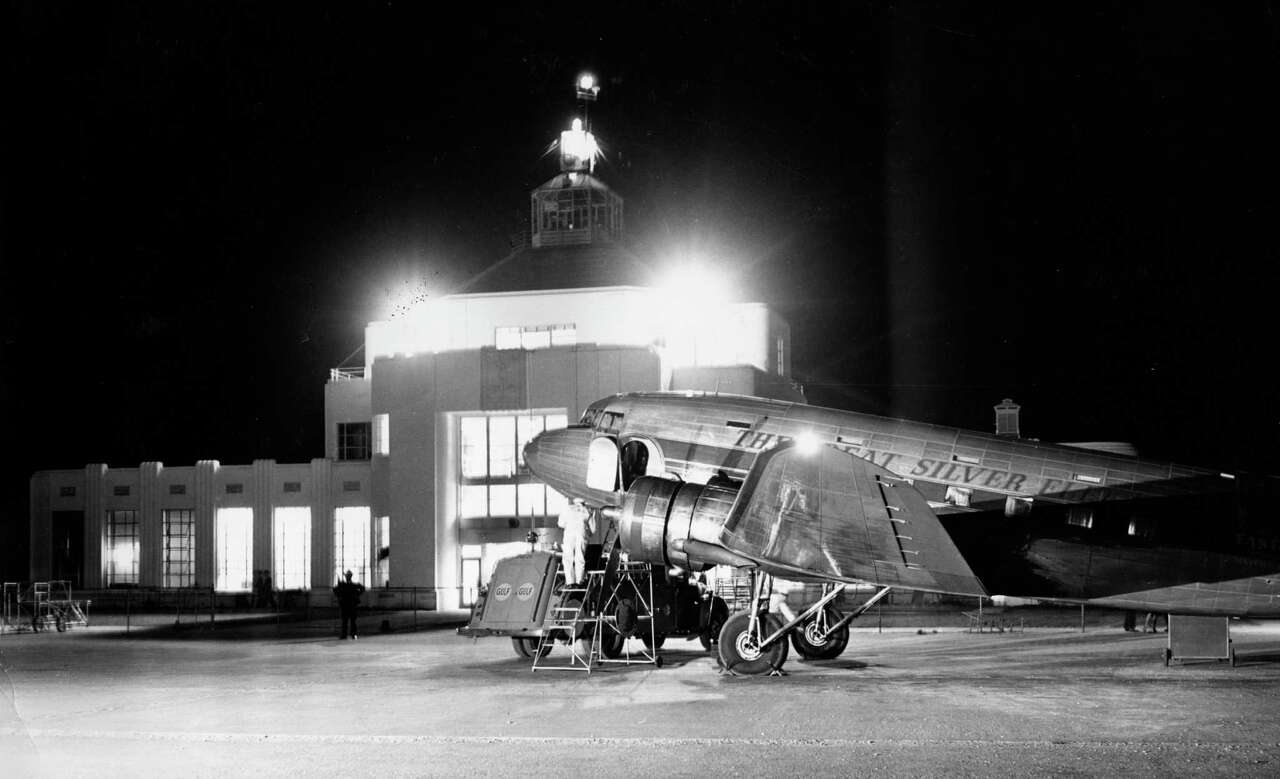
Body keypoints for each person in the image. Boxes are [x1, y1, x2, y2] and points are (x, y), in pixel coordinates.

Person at [557, 498, 593, 588]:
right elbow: (593, 528)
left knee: (567, 557)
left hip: (569, 532)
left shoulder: (567, 509)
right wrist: (588, 534)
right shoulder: (588, 510)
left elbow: (560, 523)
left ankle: (570, 582)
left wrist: (569, 524)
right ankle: (579, 581)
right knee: (580, 556)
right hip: (582, 532)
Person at [333, 570, 365, 639]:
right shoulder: (349, 585)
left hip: (348, 605)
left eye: (349, 576)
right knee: (348, 621)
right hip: (349, 605)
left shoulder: (347, 585)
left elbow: (335, 590)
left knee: (349, 621)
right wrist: (357, 594)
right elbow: (335, 590)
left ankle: (348, 635)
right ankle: (351, 635)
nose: (348, 577)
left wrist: (340, 596)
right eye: (348, 576)